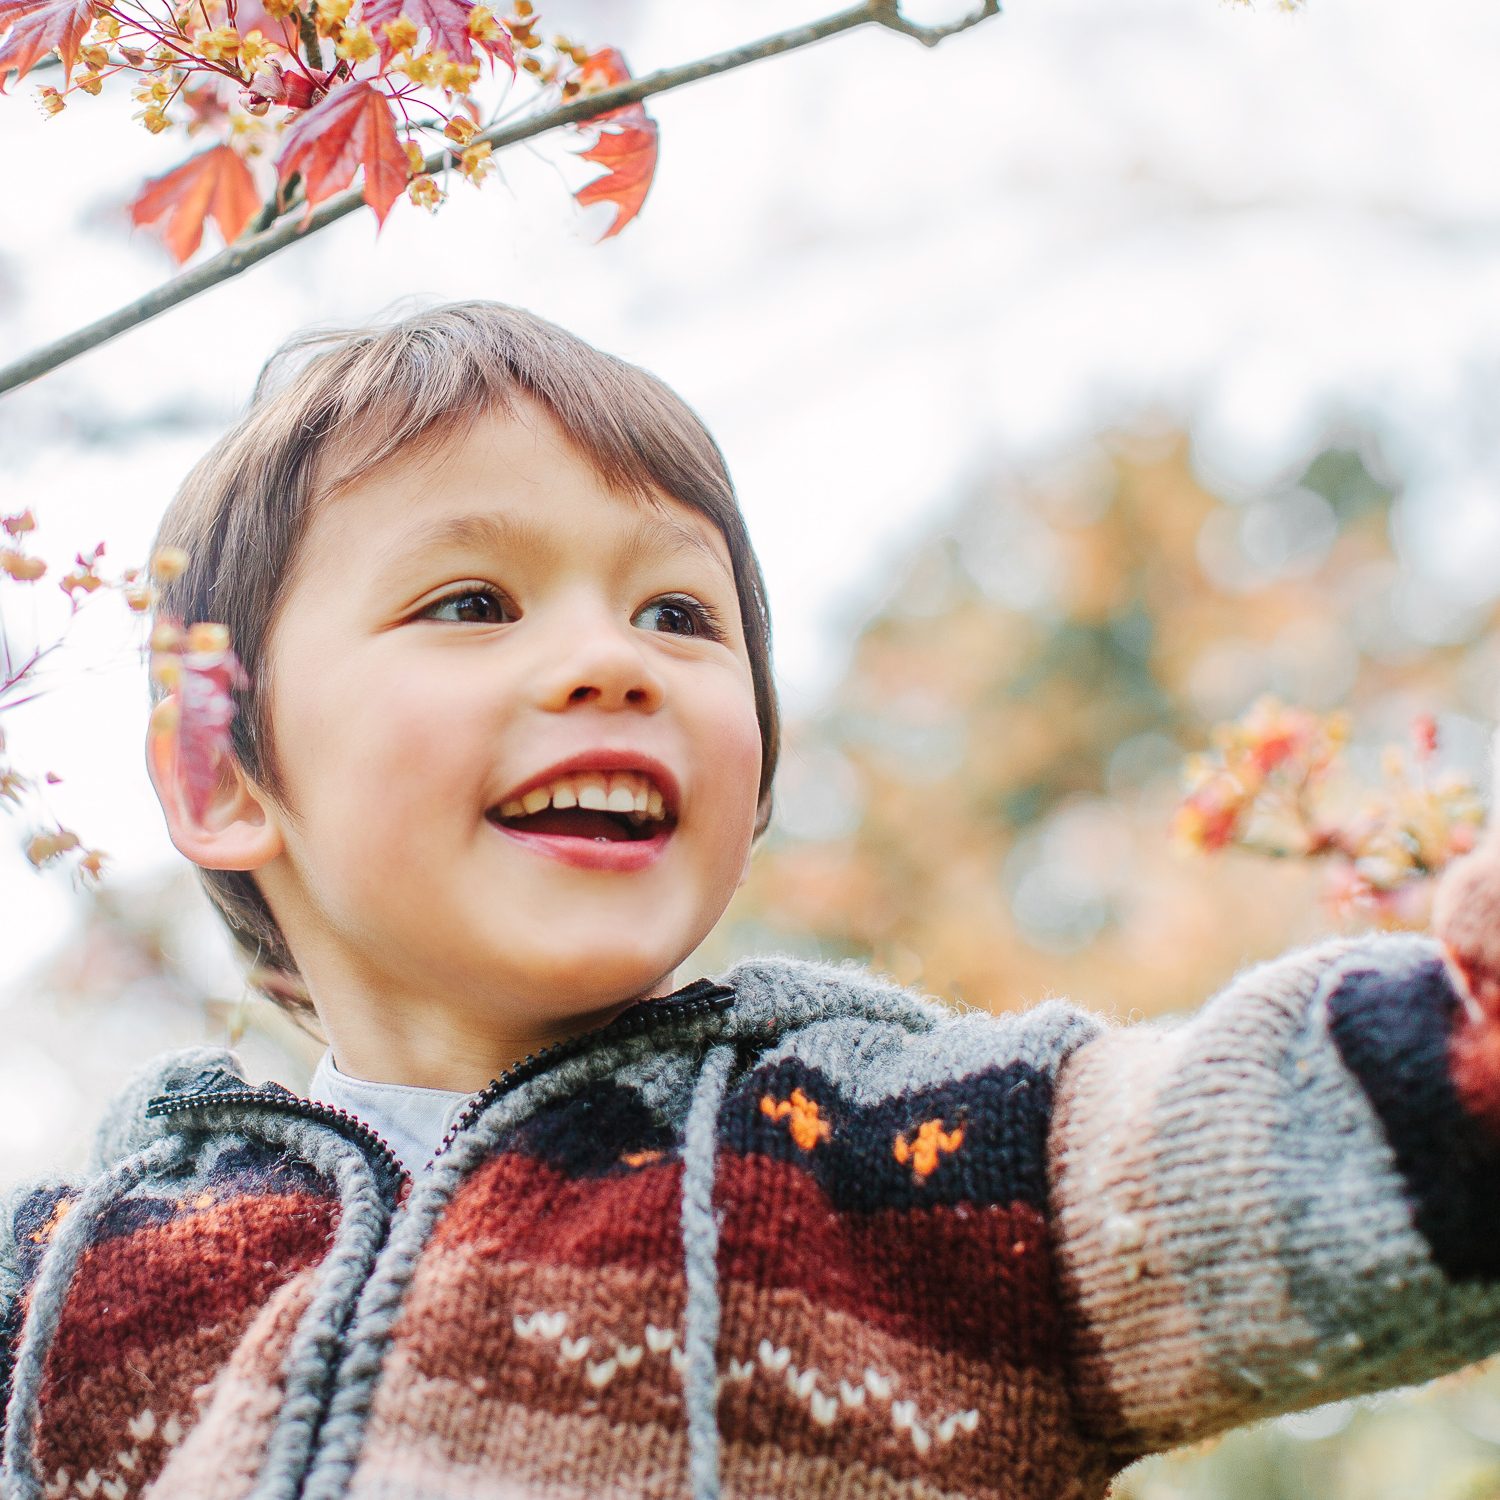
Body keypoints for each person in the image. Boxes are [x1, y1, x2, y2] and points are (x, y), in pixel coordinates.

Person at [4, 302, 1500, 1500]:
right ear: (221, 774)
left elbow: (1251, 1140)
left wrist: (1469, 1037)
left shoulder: (901, 1162)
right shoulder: (66, 1293)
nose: (618, 660)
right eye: (472, 603)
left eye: (679, 614)